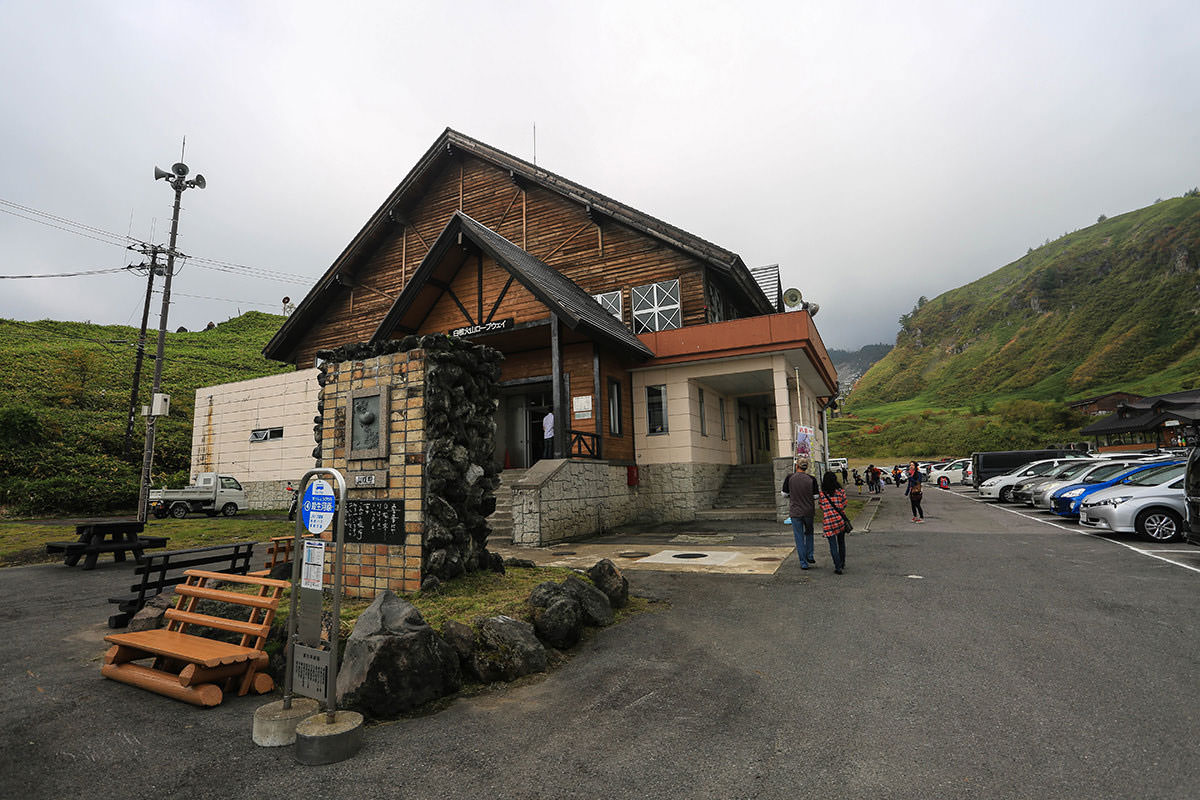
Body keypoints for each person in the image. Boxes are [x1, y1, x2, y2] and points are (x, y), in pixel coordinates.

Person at [787, 460, 818, 568]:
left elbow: (784, 493)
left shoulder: (790, 477)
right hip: (808, 511)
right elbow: (816, 496)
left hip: (795, 511)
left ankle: (803, 562)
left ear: (797, 466)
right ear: (807, 467)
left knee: (799, 536)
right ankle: (810, 554)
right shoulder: (812, 479)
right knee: (809, 533)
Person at [818, 471, 848, 574]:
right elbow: (844, 504)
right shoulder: (841, 491)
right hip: (840, 520)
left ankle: (837, 566)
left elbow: (821, 506)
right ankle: (842, 562)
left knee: (833, 545)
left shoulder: (822, 494)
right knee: (841, 542)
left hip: (829, 521)